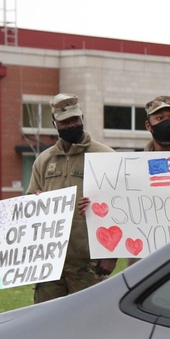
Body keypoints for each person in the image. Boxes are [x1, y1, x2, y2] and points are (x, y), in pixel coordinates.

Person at [28, 93, 116, 303]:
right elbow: (31, 197)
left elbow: (121, 207)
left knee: (89, 322)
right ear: (54, 124)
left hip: (89, 260)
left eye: (75, 120)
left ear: (82, 118)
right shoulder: (44, 160)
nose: (71, 125)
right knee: (46, 320)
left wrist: (112, 254)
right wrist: (35, 200)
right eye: (65, 122)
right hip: (50, 260)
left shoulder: (106, 156)